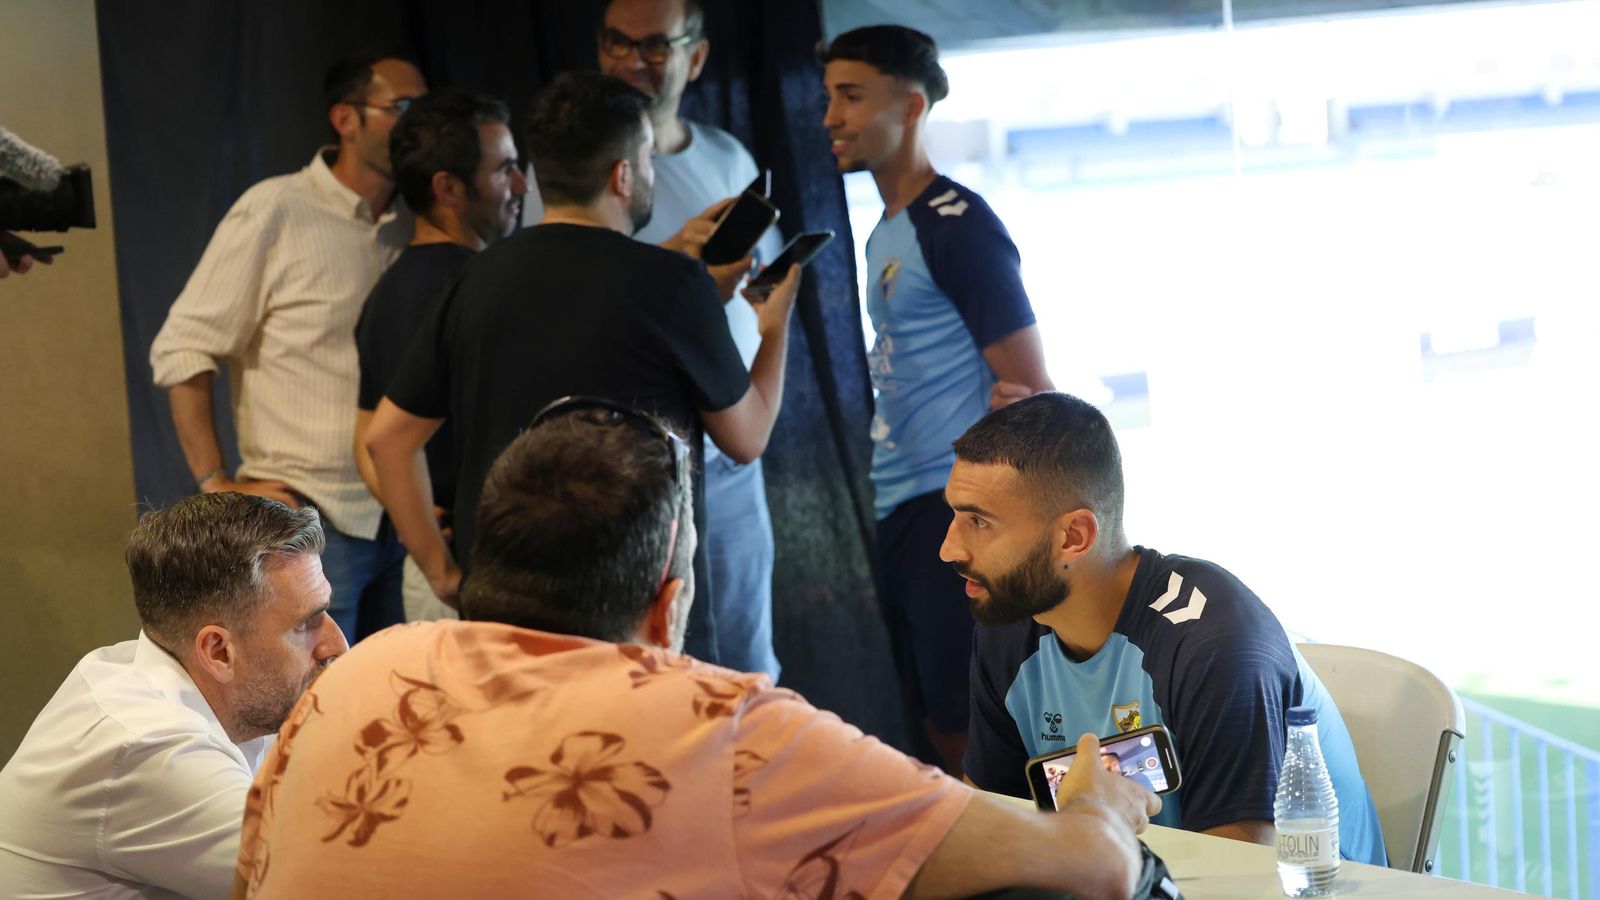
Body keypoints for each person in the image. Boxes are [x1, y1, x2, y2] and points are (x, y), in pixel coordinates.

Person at [234, 399, 1157, 900]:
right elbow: (1090, 871)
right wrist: (1099, 806)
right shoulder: (722, 729)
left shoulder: (356, 672)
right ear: (668, 604)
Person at [364, 71, 800, 664]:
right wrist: (774, 328)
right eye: (646, 159)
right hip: (632, 604)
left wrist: (443, 571)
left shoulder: (478, 277)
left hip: (506, 606)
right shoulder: (671, 285)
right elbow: (747, 437)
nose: (648, 173)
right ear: (623, 174)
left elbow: (387, 439)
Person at [947, 392, 1387, 863]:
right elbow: (988, 832)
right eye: (955, 515)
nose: (949, 549)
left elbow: (1238, 881)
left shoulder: (1217, 645)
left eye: (979, 522)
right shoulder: (1011, 624)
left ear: (1073, 537)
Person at [820, 25, 1054, 773]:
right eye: (829, 97)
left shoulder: (957, 225)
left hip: (951, 506)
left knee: (964, 722)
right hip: (900, 500)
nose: (831, 117)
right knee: (929, 713)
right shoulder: (885, 231)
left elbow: (1034, 396)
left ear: (911, 106)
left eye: (851, 97)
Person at [149, 51, 428, 642]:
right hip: (312, 518)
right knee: (311, 716)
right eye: (401, 107)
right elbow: (182, 348)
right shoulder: (277, 208)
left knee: (397, 713)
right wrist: (216, 485)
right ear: (345, 120)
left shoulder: (418, 222)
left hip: (408, 515)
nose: (418, 124)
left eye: (425, 108)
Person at [0, 492, 347, 897]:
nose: (336, 644)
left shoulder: (236, 691)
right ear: (218, 651)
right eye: (306, 624)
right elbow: (346, 883)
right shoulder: (150, 747)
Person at [598, 0, 785, 680]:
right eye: (616, 44)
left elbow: (755, 283)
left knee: (746, 660)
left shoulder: (729, 156)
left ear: (695, 58)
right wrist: (674, 266)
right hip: (636, 462)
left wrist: (755, 295)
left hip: (734, 453)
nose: (630, 63)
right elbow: (573, 303)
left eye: (653, 48)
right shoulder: (576, 169)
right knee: (659, 670)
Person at [352, 88, 525, 624]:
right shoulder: (479, 288)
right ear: (448, 188)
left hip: (440, 578)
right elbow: (380, 443)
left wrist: (423, 536)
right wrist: (441, 564)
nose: (521, 186)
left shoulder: (386, 292)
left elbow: (366, 444)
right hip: (474, 578)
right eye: (504, 171)